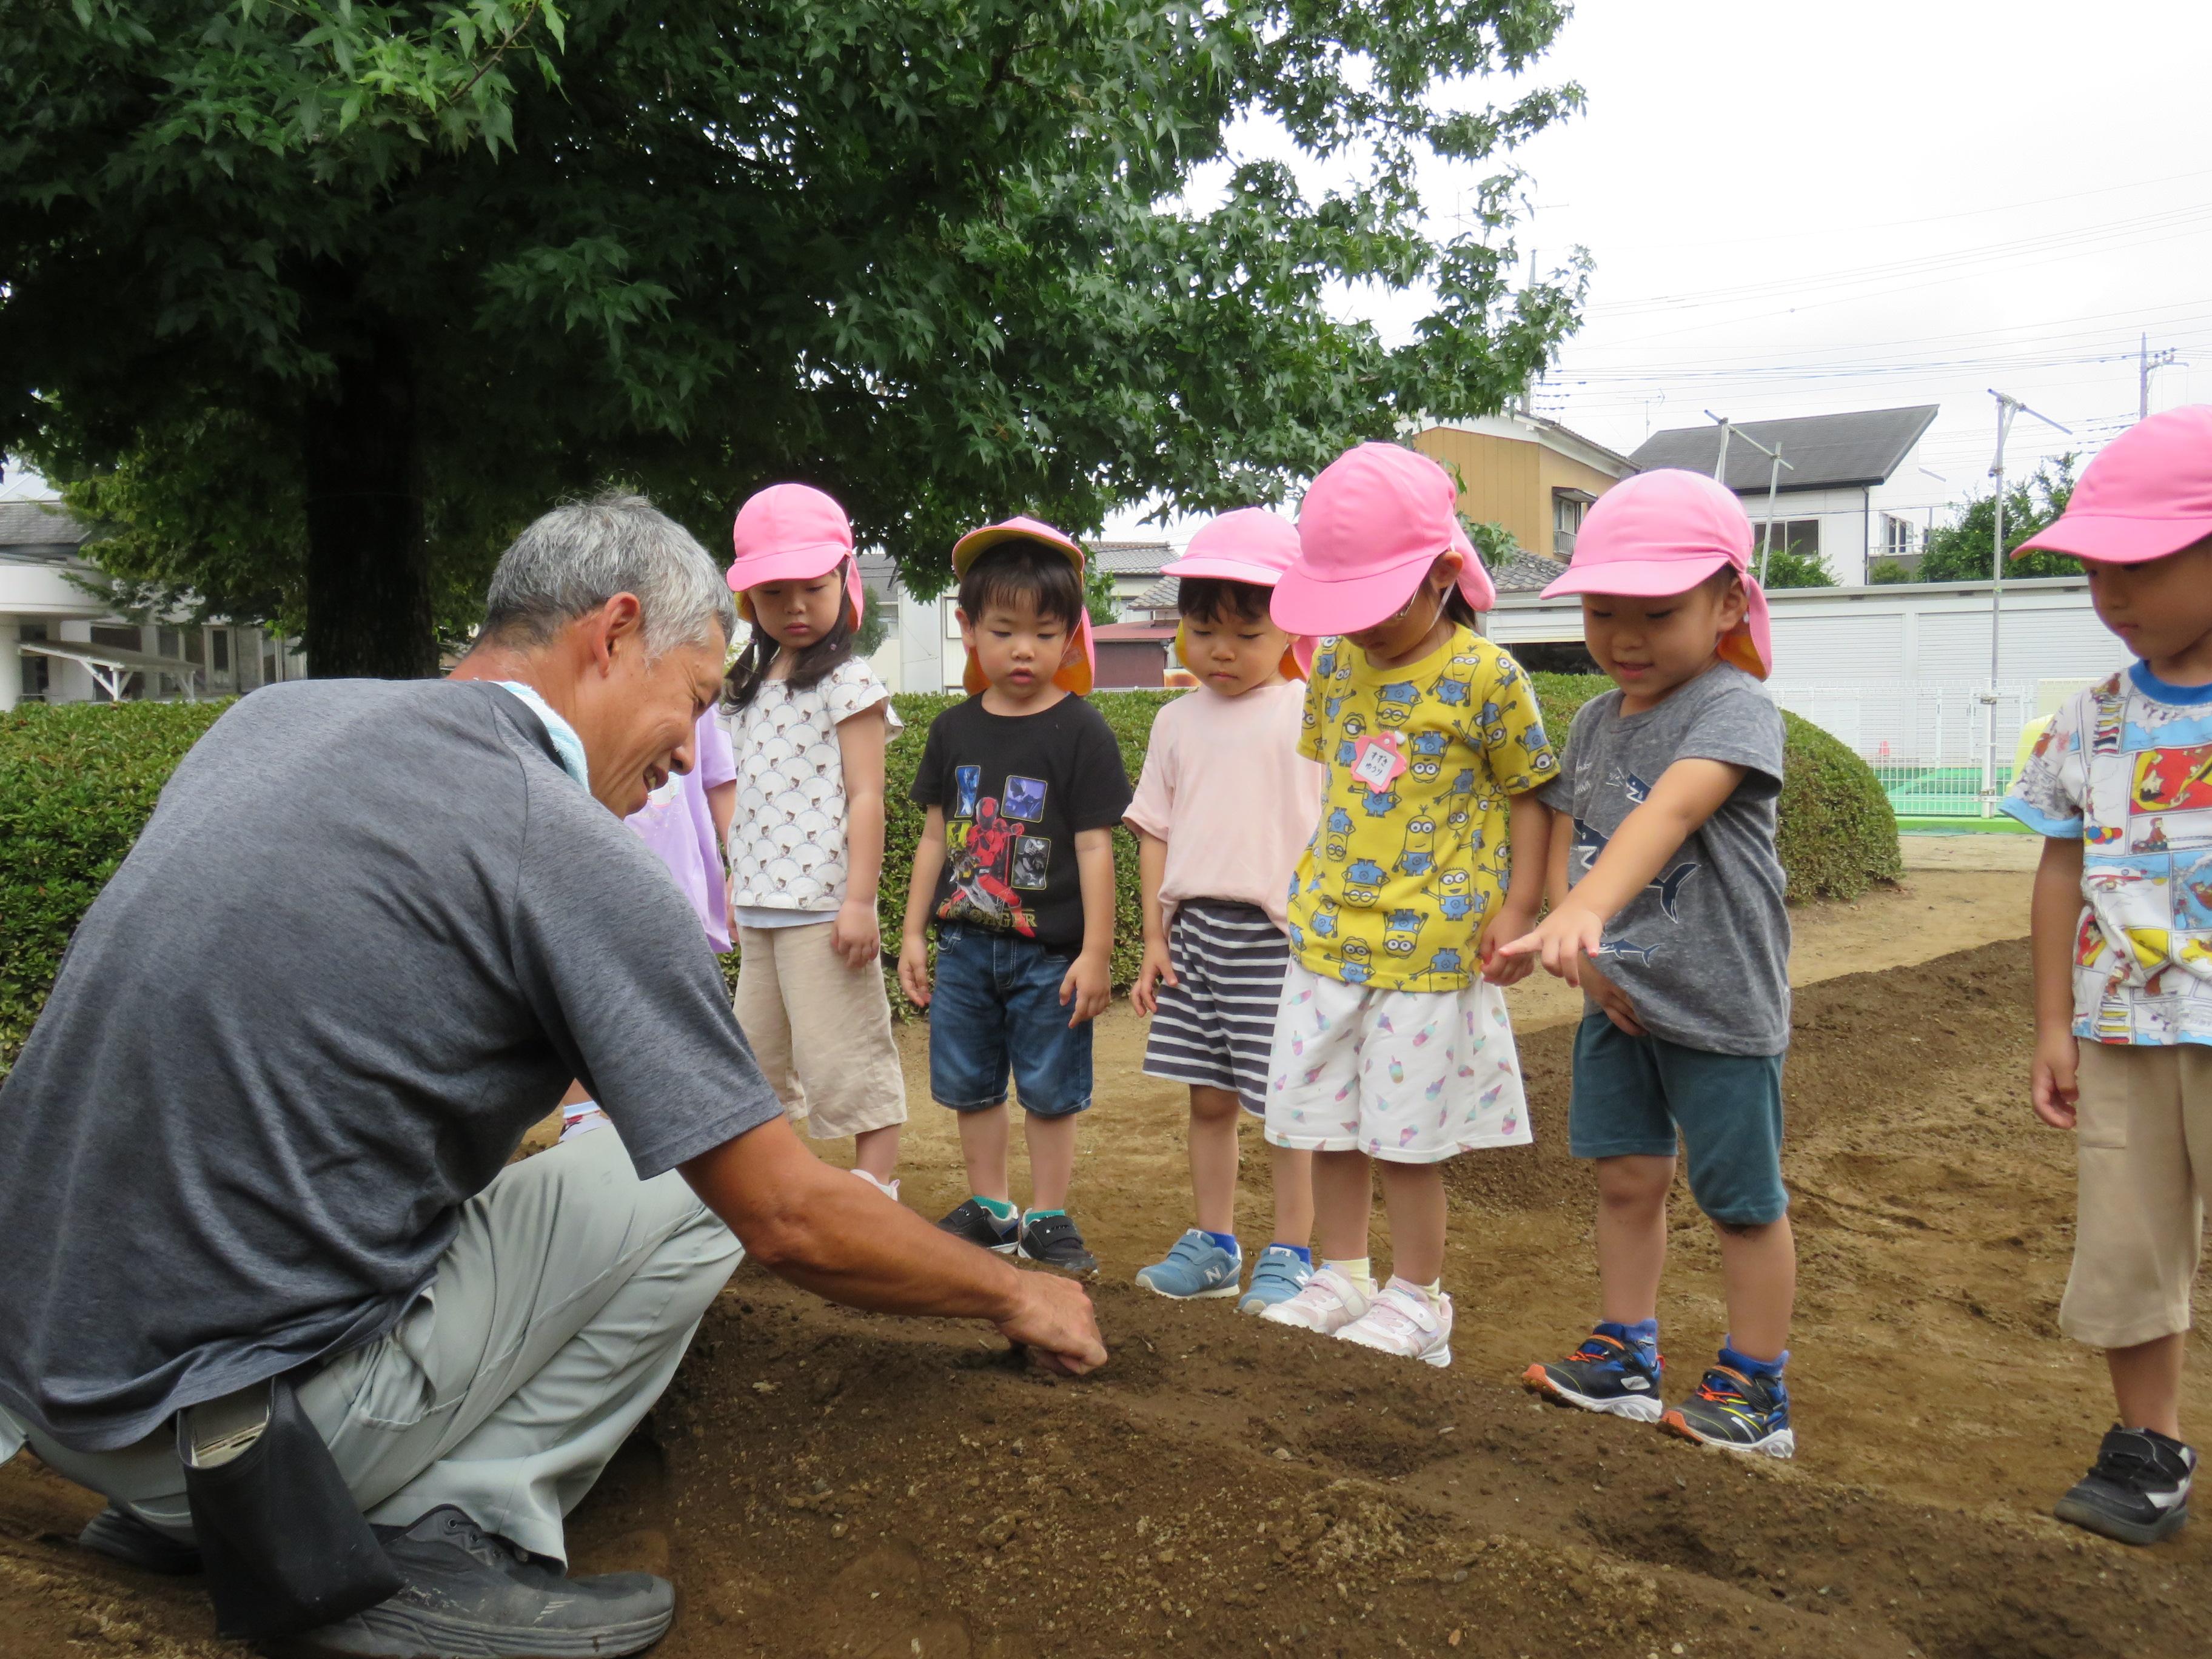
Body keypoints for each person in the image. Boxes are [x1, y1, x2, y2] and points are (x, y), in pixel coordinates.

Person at [0, 494, 1104, 1659]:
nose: (688, 756)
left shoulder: (271, 721)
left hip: (43, 1379)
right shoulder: (561, 845)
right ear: (613, 632)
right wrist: (1016, 1293)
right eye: (687, 697)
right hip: (230, 1436)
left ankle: (197, 1514)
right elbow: (783, 1216)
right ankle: (435, 1539)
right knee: (689, 1194)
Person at [1503, 469, 1797, 1458]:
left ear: (1725, 605)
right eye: (1600, 610)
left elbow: (1667, 811)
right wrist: (1570, 943)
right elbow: (1562, 826)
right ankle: (1627, 1352)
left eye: (1656, 611)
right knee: (1625, 1181)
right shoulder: (1592, 720)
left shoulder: (1734, 709)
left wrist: (1582, 910)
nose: (1623, 636)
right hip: (1619, 999)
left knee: (1739, 1202)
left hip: (1717, 1003)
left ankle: (1757, 1388)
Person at [1255, 443, 1556, 1366]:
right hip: (1329, 935)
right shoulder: (1336, 668)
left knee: (1408, 1140)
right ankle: (1342, 1274)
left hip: (1433, 947)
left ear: (1442, 573)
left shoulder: (1487, 677)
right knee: (1328, 1122)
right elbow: (1337, 789)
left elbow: (1533, 795)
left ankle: (1419, 1299)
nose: (1363, 624)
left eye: (1379, 599)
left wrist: (1520, 909)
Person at [1999, 403, 2212, 1545]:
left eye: (2137, 564)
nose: (2110, 593)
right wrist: (2049, 1024)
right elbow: (2055, 871)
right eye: (2093, 570)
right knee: (2126, 1243)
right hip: (2121, 1029)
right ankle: (2147, 1450)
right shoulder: (2089, 720)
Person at [897, 518, 1132, 1277]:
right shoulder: (951, 729)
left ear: (1072, 639)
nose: (1023, 649)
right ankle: (994, 1208)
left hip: (1051, 955)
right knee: (971, 1086)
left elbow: (1098, 847)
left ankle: (1049, 1215)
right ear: (967, 629)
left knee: (1052, 1092)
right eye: (1003, 630)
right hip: (964, 947)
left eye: (1045, 632)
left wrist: (1099, 952)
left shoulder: (1082, 732)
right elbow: (936, 839)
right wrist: (911, 934)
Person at [1127, 509, 1325, 1311]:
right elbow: (1154, 832)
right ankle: (1214, 1245)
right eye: (1202, 630)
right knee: (1206, 1098)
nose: (1220, 651)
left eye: (1245, 635)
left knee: (1287, 1107)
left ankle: (1294, 1251)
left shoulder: (1313, 711)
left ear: (1291, 628)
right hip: (1196, 937)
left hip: (1280, 941)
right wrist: (1153, 937)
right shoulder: (1174, 721)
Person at [720, 483, 907, 1196]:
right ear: (749, 601)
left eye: (812, 586)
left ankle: (875, 1184)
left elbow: (867, 797)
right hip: (764, 906)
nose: (795, 606)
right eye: (773, 592)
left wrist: (859, 901)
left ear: (844, 580)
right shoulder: (747, 686)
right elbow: (751, 797)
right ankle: (769, 1186)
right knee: (753, 1060)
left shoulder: (850, 681)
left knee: (844, 1053)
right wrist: (738, 880)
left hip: (826, 909)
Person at [561, 702, 739, 1144]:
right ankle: (582, 1113)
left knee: (675, 995)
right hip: (590, 865)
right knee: (582, 987)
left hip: (676, 871)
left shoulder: (696, 690)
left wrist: (745, 865)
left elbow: (719, 780)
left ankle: (677, 1116)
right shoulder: (584, 680)